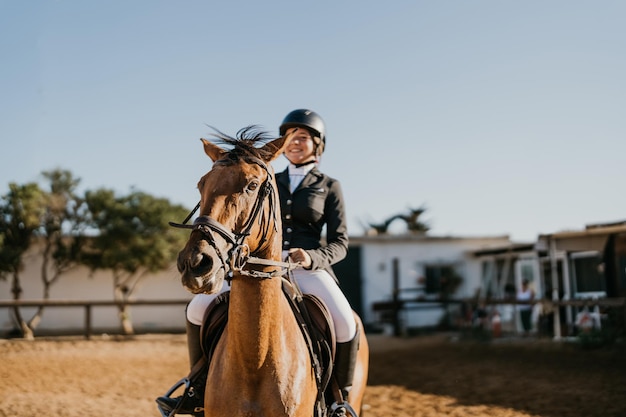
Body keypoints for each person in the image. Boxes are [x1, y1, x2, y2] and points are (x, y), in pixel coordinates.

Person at [156, 109, 359, 417]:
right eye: (290, 136)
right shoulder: (261, 177)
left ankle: (338, 400)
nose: (295, 142)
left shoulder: (329, 186)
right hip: (253, 262)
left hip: (305, 268)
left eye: (302, 137)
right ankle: (196, 389)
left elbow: (341, 242)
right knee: (197, 308)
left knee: (345, 320)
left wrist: (312, 257)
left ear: (317, 145)